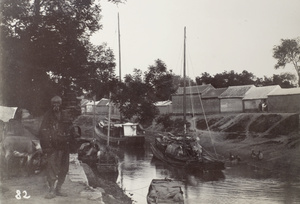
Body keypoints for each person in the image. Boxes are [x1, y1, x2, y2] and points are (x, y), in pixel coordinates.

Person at [39, 96, 75, 199]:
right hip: (52, 147)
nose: (56, 105)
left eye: (58, 103)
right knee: (51, 168)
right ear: (51, 104)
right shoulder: (47, 116)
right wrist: (45, 147)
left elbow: (71, 129)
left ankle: (58, 189)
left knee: (64, 169)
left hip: (64, 147)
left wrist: (72, 144)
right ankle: (51, 190)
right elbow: (43, 131)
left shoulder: (65, 115)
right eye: (54, 103)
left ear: (61, 104)